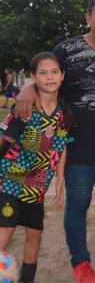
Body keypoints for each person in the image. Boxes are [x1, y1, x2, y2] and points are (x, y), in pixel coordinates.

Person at [14, 0, 95, 283]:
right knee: (78, 204)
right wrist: (27, 89)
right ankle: (80, 262)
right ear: (88, 17)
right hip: (77, 144)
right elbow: (45, 73)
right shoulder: (67, 49)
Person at [0, 52, 72, 283]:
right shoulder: (24, 108)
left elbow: (61, 148)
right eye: (42, 73)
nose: (49, 77)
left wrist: (60, 181)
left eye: (54, 72)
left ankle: (26, 279)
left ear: (62, 75)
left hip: (37, 184)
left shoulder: (63, 114)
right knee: (5, 229)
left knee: (34, 234)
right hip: (11, 178)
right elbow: (4, 141)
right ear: (33, 77)